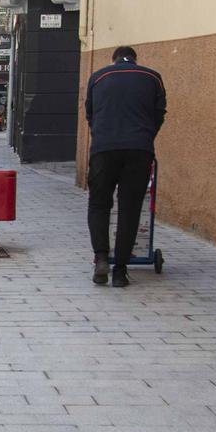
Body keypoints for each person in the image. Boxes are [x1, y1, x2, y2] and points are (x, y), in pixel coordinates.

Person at [84, 45, 167, 287]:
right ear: (135, 59)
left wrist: (102, 136)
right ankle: (120, 271)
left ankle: (101, 258)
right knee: (129, 209)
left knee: (99, 204)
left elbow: (91, 114)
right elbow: (159, 113)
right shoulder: (153, 77)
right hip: (139, 150)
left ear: (113, 60)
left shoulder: (98, 77)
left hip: (103, 149)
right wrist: (145, 137)